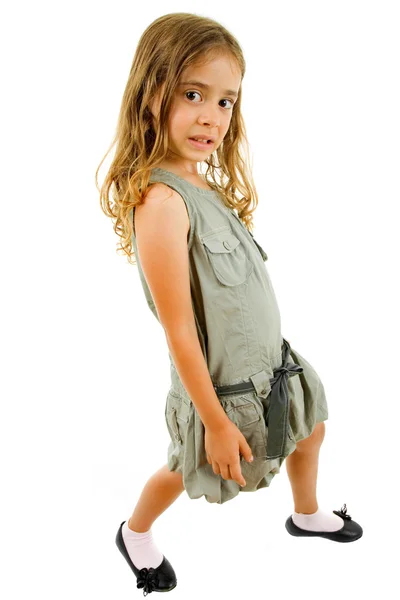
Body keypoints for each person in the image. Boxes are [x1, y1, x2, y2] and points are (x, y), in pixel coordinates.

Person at [96, 12, 363, 596]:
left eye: (225, 102)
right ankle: (135, 533)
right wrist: (214, 423)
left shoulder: (200, 181)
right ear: (151, 95)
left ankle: (306, 514)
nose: (211, 117)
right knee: (185, 467)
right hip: (223, 386)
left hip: (269, 362)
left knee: (310, 426)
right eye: (193, 94)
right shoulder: (162, 203)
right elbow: (179, 330)